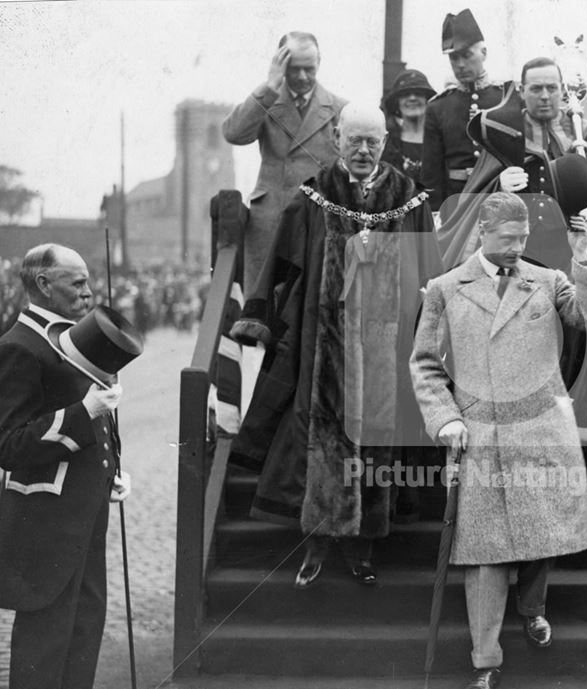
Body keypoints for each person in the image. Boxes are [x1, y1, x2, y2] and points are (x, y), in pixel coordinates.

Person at [228, 102, 443, 588]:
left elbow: (431, 274)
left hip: (388, 344)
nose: (363, 150)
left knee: (378, 435)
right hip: (325, 339)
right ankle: (317, 545)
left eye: (373, 141)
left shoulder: (410, 201)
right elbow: (281, 268)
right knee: (323, 432)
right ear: (337, 141)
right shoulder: (312, 199)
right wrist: (260, 318)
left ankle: (364, 546)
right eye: (354, 140)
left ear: (385, 144)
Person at [410, 192, 587, 689]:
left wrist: (582, 258)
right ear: (481, 232)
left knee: (542, 529)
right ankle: (485, 661)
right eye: (507, 239)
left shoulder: (549, 280)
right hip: (478, 431)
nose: (518, 247)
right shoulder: (445, 288)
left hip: (541, 426)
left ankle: (533, 607)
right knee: (483, 552)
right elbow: (426, 364)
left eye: (522, 238)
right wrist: (445, 418)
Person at [437, 56, 587, 425]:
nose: (544, 96)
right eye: (535, 88)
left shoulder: (586, 134)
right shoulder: (503, 137)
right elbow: (474, 200)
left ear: (562, 90)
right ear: (522, 92)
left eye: (551, 87)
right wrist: (498, 185)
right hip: (513, 263)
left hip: (564, 258)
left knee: (566, 346)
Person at [0, 244, 131, 689]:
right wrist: (84, 411)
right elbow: (10, 444)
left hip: (85, 511)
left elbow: (94, 423)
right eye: (77, 283)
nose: (88, 293)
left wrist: (110, 470)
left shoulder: (71, 339)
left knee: (83, 629)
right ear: (43, 284)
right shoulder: (19, 347)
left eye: (88, 283)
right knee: (46, 639)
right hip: (45, 521)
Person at [223, 31, 348, 290]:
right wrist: (269, 88)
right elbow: (233, 133)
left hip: (318, 223)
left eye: (309, 69)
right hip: (270, 221)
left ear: (319, 65)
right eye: (294, 69)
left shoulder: (339, 109)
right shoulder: (267, 102)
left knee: (313, 302)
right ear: (280, 66)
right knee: (265, 305)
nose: (302, 77)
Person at [421, 8, 507, 211]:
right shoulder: (438, 107)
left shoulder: (505, 98)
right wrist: (435, 214)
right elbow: (431, 174)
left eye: (467, 55)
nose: (460, 64)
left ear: (484, 53)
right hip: (456, 205)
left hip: (501, 201)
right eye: (454, 58)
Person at [381, 69, 437, 183]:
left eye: (418, 93)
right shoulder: (386, 140)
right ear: (397, 102)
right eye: (405, 94)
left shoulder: (439, 139)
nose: (412, 98)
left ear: (427, 100)